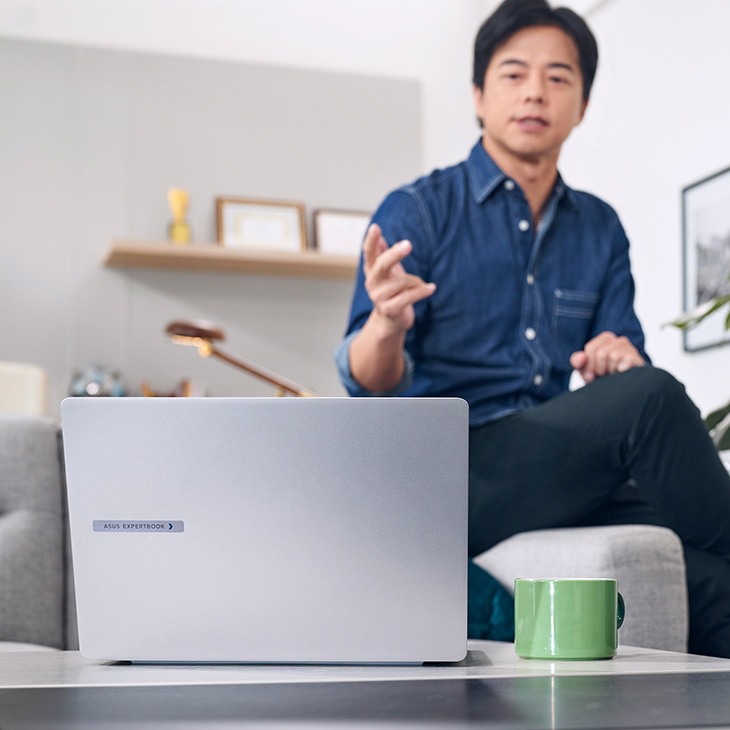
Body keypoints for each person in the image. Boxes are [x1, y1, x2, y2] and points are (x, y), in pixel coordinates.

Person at [335, 0, 730, 658]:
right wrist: (385, 322)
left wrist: (617, 356)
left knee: (712, 579)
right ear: (479, 98)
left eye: (558, 77)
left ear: (581, 105)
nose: (535, 93)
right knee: (656, 398)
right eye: (514, 74)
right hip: (454, 474)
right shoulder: (420, 209)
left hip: (560, 471)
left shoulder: (599, 227)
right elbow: (366, 382)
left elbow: (626, 370)